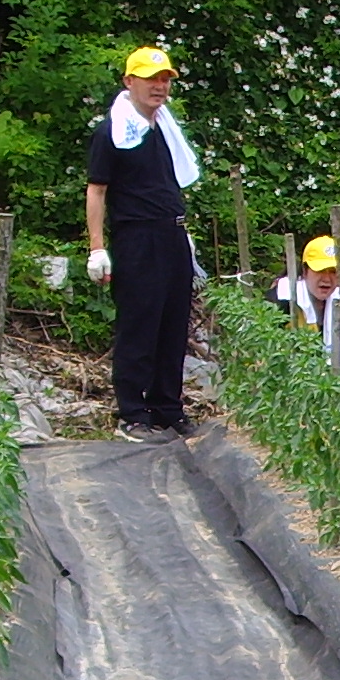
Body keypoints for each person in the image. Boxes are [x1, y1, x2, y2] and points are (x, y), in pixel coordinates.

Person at [85, 44, 202, 441]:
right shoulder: (112, 132)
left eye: (165, 79)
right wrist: (97, 247)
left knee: (173, 323)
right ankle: (132, 412)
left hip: (172, 233)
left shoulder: (166, 129)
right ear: (129, 81)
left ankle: (167, 406)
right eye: (151, 79)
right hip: (137, 236)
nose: (159, 87)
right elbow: (97, 190)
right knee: (140, 323)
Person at [275, 235, 340, 390]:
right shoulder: (282, 300)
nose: (327, 278)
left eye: (333, 271)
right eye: (320, 270)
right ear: (305, 271)